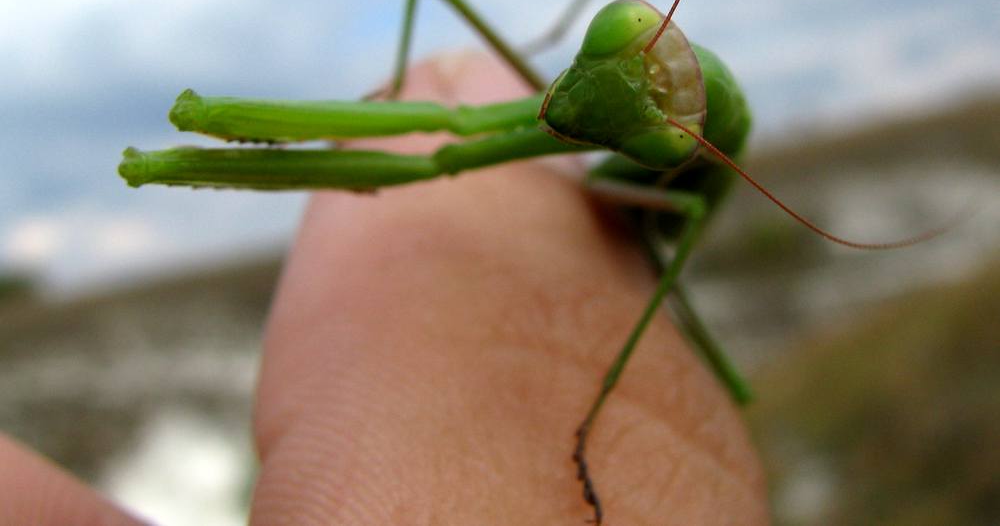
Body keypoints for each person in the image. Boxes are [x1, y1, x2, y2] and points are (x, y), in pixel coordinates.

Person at [0, 56, 767, 524]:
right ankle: (186, 144)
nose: (567, 102)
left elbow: (444, 155)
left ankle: (593, 417)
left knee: (725, 371)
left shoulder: (685, 177)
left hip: (651, 213)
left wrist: (590, 430)